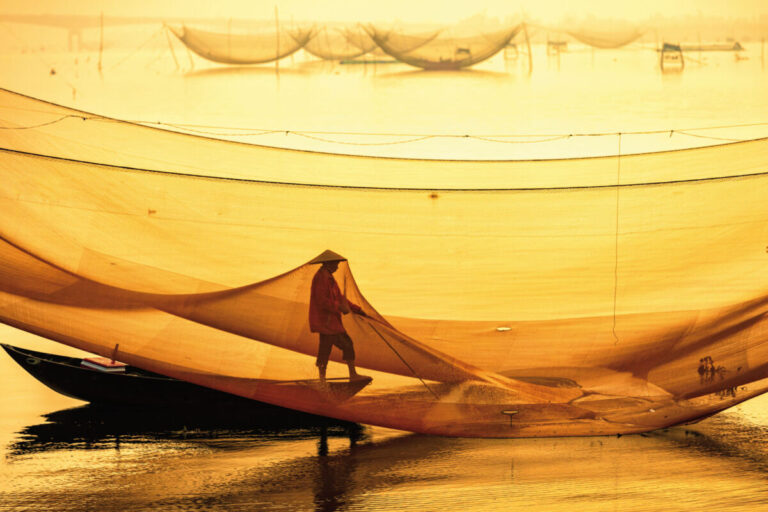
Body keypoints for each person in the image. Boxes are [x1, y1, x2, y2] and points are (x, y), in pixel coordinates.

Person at [308, 250, 367, 382]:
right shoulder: (321, 278)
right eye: (336, 264)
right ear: (329, 263)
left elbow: (340, 298)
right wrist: (339, 307)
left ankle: (347, 375)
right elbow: (321, 301)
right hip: (325, 323)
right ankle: (326, 379)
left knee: (340, 345)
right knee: (330, 348)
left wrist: (356, 309)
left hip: (332, 323)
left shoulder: (329, 278)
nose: (338, 267)